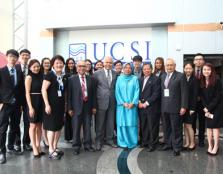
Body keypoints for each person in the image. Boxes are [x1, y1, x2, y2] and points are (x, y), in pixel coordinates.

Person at [160, 58, 188, 156]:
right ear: (165, 66)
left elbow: (184, 93)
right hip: (164, 107)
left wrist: (183, 106)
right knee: (166, 127)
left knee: (176, 128)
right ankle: (168, 144)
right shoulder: (163, 76)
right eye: (167, 65)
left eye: (171, 65)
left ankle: (177, 147)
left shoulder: (180, 76)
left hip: (176, 107)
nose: (169, 67)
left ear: (175, 66)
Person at [68, 60, 96, 155]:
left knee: (87, 127)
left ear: (86, 67)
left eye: (83, 66)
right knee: (76, 128)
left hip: (88, 107)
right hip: (76, 108)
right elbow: (69, 95)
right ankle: (76, 146)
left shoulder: (91, 79)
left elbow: (93, 95)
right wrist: (70, 108)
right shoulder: (72, 79)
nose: (82, 68)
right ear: (77, 67)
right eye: (80, 66)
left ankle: (88, 145)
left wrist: (94, 106)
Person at [0, 49, 23, 164]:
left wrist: (21, 104)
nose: (13, 59)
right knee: (3, 129)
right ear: (6, 58)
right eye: (10, 56)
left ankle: (10, 146)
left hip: (16, 105)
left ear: (17, 59)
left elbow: (20, 89)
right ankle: (2, 152)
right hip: (5, 104)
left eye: (15, 57)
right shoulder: (1, 71)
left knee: (14, 126)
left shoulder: (19, 71)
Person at [42, 55, 66, 160]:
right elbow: (43, 90)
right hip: (51, 107)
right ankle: (51, 150)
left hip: (60, 106)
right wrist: (47, 104)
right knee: (51, 128)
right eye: (56, 63)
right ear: (53, 65)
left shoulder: (62, 76)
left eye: (61, 63)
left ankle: (55, 147)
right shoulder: (49, 75)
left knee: (58, 127)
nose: (59, 65)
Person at [93, 56, 117, 151]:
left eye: (110, 63)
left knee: (110, 122)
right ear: (103, 63)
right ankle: (98, 141)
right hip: (100, 102)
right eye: (107, 62)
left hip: (112, 101)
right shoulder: (96, 74)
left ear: (112, 64)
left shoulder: (115, 74)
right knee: (100, 123)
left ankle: (110, 139)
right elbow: (94, 89)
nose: (108, 64)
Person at [200, 63, 223, 155]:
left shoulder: (217, 80)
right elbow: (201, 96)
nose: (206, 71)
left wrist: (209, 108)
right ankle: (210, 145)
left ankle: (216, 146)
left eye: (208, 69)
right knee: (208, 127)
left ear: (212, 70)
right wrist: (206, 107)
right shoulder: (201, 80)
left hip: (217, 107)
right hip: (207, 107)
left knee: (215, 127)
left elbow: (218, 97)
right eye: (204, 69)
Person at [115, 63, 139, 149]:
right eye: (126, 68)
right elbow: (117, 92)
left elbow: (137, 91)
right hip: (121, 106)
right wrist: (122, 102)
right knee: (122, 124)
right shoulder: (119, 79)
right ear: (123, 69)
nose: (128, 69)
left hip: (132, 106)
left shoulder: (135, 78)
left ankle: (132, 142)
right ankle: (122, 142)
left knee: (131, 124)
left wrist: (133, 102)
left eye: (129, 68)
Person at [25, 59, 45, 158]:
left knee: (39, 126)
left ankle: (38, 145)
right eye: (34, 66)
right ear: (30, 68)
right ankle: (34, 147)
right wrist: (30, 107)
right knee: (32, 126)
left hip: (41, 102)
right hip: (32, 102)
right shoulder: (29, 77)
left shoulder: (42, 76)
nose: (36, 68)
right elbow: (27, 93)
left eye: (38, 66)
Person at [138, 63, 161, 152]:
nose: (146, 70)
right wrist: (139, 102)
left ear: (151, 69)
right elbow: (137, 91)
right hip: (141, 106)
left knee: (152, 126)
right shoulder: (140, 79)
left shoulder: (156, 79)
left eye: (148, 69)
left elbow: (156, 93)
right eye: (144, 69)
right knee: (143, 125)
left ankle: (153, 144)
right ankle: (145, 142)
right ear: (142, 70)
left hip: (151, 107)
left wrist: (146, 103)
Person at [13, 49, 32, 152]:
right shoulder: (15, 68)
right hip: (16, 100)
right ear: (20, 56)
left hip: (28, 100)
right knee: (16, 122)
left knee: (27, 122)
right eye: (23, 55)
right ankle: (17, 143)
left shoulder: (32, 68)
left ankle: (26, 143)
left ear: (29, 57)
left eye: (27, 55)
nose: (25, 57)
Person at [182, 63, 198, 151]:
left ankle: (192, 143)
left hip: (190, 107)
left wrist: (193, 108)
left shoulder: (195, 79)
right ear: (184, 69)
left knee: (189, 125)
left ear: (192, 69)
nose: (188, 70)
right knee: (184, 125)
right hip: (184, 106)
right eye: (186, 68)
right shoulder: (183, 78)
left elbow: (195, 95)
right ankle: (187, 142)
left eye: (189, 68)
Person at [193, 53, 206, 147]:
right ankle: (192, 139)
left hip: (203, 102)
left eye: (200, 59)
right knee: (192, 121)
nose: (198, 61)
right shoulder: (189, 71)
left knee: (202, 122)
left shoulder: (206, 71)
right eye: (196, 59)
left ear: (203, 61)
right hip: (192, 102)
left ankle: (201, 140)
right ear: (194, 61)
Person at [64, 58, 77, 142]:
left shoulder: (77, 73)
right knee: (68, 119)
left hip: (77, 98)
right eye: (69, 63)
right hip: (68, 98)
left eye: (72, 63)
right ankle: (69, 137)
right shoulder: (65, 75)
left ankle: (76, 135)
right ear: (67, 65)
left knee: (75, 119)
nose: (71, 65)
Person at [153, 57, 165, 145]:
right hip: (154, 102)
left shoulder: (164, 73)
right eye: (156, 63)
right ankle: (155, 138)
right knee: (155, 122)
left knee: (164, 122)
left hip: (163, 100)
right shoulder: (153, 73)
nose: (158, 64)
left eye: (160, 63)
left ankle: (165, 138)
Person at [40, 57, 51, 148]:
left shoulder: (52, 73)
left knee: (47, 120)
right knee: (43, 121)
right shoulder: (39, 74)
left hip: (49, 99)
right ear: (42, 64)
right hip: (40, 99)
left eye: (48, 63)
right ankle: (45, 139)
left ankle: (48, 139)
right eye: (45, 63)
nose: (47, 64)